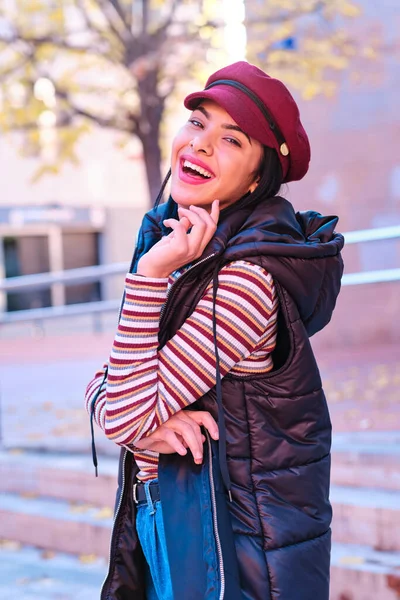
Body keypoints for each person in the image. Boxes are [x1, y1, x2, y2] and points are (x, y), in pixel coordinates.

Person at [85, 61, 344, 600]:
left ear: (257, 178)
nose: (200, 145)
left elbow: (122, 411)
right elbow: (114, 381)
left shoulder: (245, 282)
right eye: (199, 123)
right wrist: (135, 415)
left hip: (230, 545)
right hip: (175, 516)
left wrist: (150, 276)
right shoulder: (186, 245)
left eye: (231, 139)